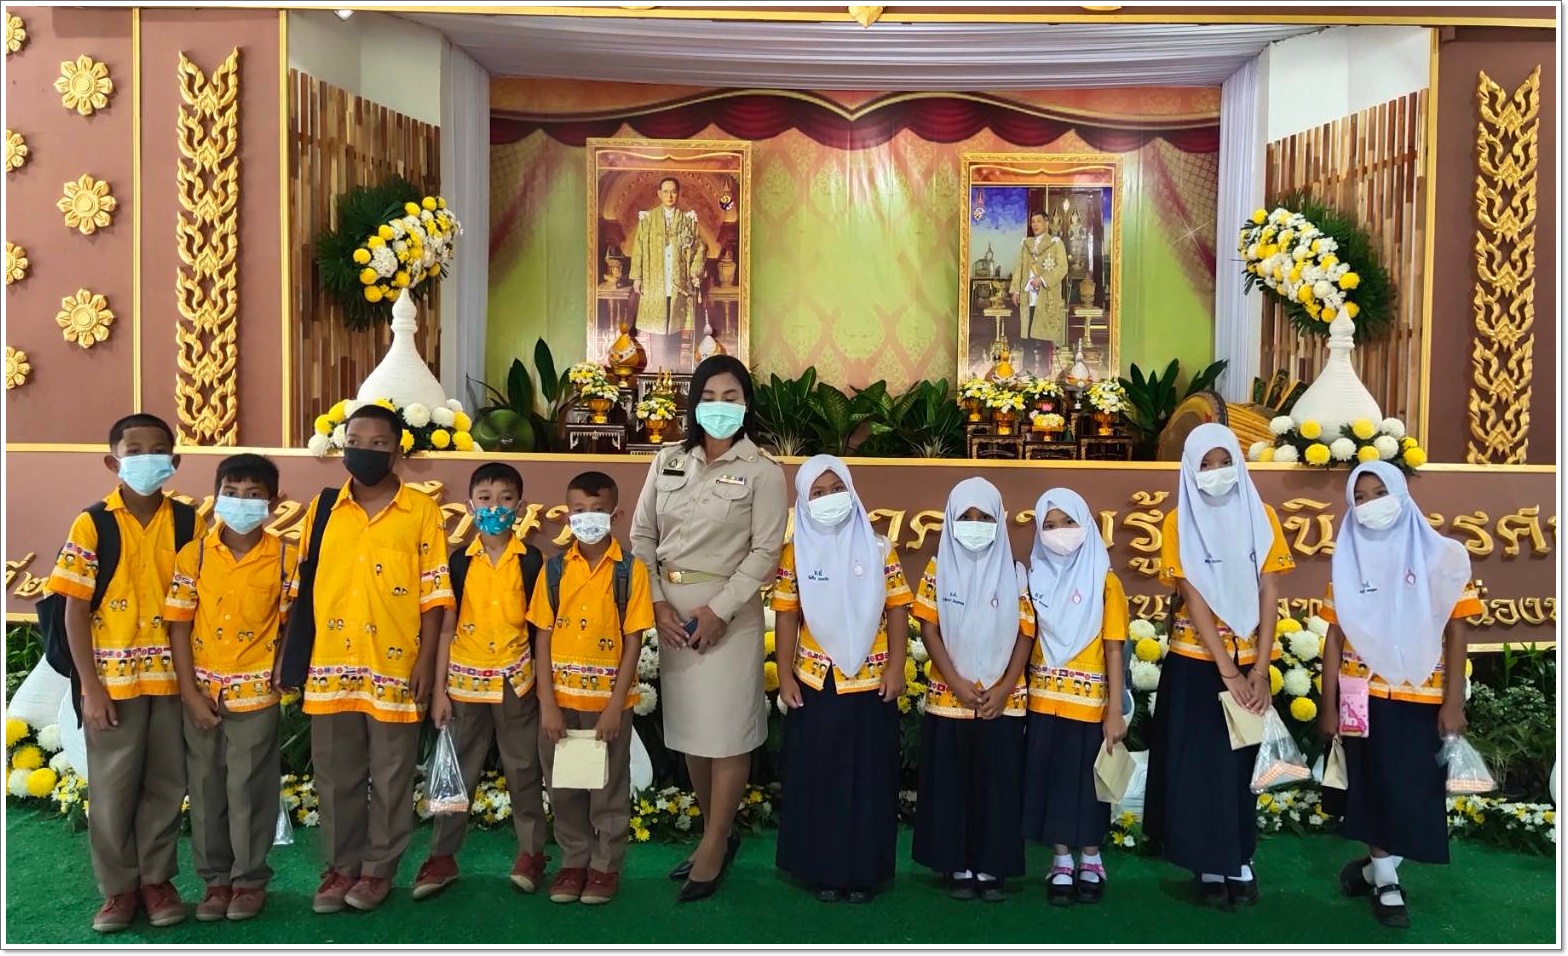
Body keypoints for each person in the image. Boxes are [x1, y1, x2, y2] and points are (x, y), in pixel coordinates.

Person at [285, 403, 455, 915]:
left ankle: (378, 870)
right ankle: (340, 868)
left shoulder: (422, 512)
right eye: (355, 441)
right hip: (331, 665)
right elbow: (302, 589)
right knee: (336, 776)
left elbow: (434, 596)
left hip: (395, 665)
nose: (365, 451)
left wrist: (426, 662)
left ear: (398, 451)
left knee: (391, 775)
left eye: (378, 443)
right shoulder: (323, 509)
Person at [630, 354, 788, 903]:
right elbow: (642, 537)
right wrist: (656, 604)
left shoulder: (764, 471)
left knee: (727, 734)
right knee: (694, 734)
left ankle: (715, 845)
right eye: (710, 397)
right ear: (694, 403)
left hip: (729, 617)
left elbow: (765, 552)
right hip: (672, 617)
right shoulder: (667, 461)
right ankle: (713, 833)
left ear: (746, 404)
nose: (720, 407)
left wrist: (719, 611)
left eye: (731, 397)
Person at [46, 413, 208, 933]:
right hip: (112, 685)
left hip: (172, 681)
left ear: (174, 461)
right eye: (133, 450)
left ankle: (157, 882)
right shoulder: (93, 523)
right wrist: (89, 688)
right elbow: (74, 609)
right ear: (112, 461)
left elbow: (198, 602)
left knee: (166, 783)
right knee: (114, 788)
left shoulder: (188, 523)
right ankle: (118, 889)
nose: (146, 459)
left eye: (157, 450)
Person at [1318, 461, 1479, 929]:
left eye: (1379, 493)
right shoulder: (1348, 558)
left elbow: (1457, 631)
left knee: (1414, 792)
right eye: (1359, 497)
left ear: (1401, 495)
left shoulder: (1443, 556)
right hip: (1361, 695)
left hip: (1422, 696)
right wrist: (1327, 705)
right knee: (1373, 787)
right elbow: (1333, 637)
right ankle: (1386, 881)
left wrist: (1453, 701)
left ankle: (1373, 870)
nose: (1370, 504)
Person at [1143, 423, 1295, 909]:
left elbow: (1270, 590)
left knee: (1238, 768)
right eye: (1204, 465)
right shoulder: (1178, 521)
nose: (1215, 472)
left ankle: (1239, 858)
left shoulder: (1261, 515)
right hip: (1196, 664)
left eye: (1224, 461)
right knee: (1199, 767)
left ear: (1239, 463)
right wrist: (1228, 670)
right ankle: (1207, 863)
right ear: (1189, 470)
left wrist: (1259, 669)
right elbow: (1193, 597)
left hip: (1250, 666)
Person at [772, 455, 912, 904]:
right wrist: (786, 674)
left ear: (851, 492)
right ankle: (825, 871)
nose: (829, 499)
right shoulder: (795, 551)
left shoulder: (878, 547)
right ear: (803, 501)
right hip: (816, 681)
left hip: (872, 682)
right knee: (821, 776)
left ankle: (864, 872)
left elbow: (897, 608)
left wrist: (896, 666)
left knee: (869, 778)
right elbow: (787, 613)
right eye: (818, 493)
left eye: (837, 490)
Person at [165, 454, 294, 923]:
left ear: (274, 502)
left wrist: (281, 667)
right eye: (232, 493)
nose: (241, 502)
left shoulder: (285, 558)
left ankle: (249, 881)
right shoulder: (195, 555)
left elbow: (291, 622)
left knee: (249, 789)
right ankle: (215, 881)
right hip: (202, 692)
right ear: (216, 497)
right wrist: (189, 693)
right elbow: (179, 625)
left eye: (254, 494)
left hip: (256, 695)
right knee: (205, 789)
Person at [412, 463, 549, 901]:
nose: (495, 508)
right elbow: (446, 629)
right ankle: (442, 857)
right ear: (470, 506)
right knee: (454, 772)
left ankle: (531, 853)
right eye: (485, 499)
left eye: (505, 499)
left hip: (515, 683)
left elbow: (540, 629)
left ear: (520, 507)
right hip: (463, 685)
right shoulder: (457, 562)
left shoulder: (532, 561)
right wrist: (439, 691)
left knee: (523, 769)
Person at [529, 471, 654, 906]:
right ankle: (573, 861)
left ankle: (604, 866)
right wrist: (547, 703)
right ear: (567, 514)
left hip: (607, 706)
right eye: (579, 510)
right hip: (560, 703)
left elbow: (634, 639)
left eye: (597, 510)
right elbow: (542, 636)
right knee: (563, 786)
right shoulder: (554, 570)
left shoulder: (630, 571)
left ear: (615, 515)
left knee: (608, 786)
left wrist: (615, 706)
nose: (587, 518)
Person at [910, 478, 1034, 902]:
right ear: (950, 520)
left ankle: (992, 866)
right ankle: (957, 863)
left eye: (984, 517)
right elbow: (928, 627)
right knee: (952, 784)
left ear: (1000, 521)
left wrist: (1005, 687)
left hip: (1003, 700)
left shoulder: (1015, 574)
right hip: (951, 698)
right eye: (966, 516)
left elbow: (1026, 634)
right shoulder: (937, 569)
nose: (976, 524)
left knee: (998, 785)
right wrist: (956, 683)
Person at [1020, 488, 1129, 906]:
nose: (1060, 532)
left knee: (1088, 784)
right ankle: (1061, 859)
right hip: (1043, 702)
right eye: (1049, 525)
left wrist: (1114, 709)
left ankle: (1092, 858)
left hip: (1090, 708)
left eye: (1068, 522)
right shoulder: (1033, 579)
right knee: (1050, 780)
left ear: (1086, 524)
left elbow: (1114, 647)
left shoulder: (1105, 581)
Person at [630, 176, 707, 369]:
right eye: (665, 191)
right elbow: (638, 249)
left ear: (678, 194)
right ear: (659, 194)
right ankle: (658, 371)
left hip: (678, 283)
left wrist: (694, 271)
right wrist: (637, 277)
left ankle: (673, 372)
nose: (669, 195)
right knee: (657, 329)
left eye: (673, 191)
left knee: (675, 328)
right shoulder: (647, 219)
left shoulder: (688, 219)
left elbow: (699, 247)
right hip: (655, 281)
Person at [1010, 210, 1070, 372]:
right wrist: (1016, 290)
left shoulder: (1056, 243)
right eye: (1033, 222)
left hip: (1046, 296)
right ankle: (1027, 368)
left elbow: (1062, 268)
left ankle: (1044, 369)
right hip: (1028, 294)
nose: (1035, 224)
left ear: (1047, 223)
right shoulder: (1026, 244)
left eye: (1038, 221)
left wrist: (1042, 279)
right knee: (1027, 334)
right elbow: (1019, 267)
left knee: (1045, 334)